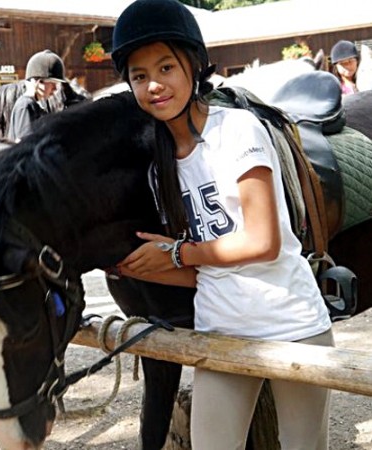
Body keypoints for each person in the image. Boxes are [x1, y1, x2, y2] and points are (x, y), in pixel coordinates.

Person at [111, 1, 334, 449]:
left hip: (291, 323)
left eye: (166, 67)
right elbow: (207, 268)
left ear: (193, 65)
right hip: (220, 332)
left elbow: (263, 241)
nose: (154, 84)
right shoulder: (160, 171)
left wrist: (172, 253)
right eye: (139, 75)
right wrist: (140, 266)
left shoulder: (238, 130)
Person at [8, 49, 67, 142]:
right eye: (52, 83)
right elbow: (24, 143)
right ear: (37, 82)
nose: (55, 89)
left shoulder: (38, 106)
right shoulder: (25, 106)